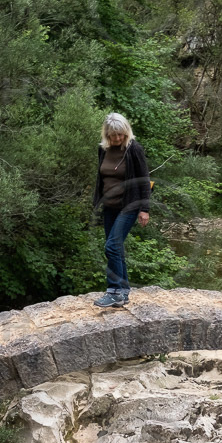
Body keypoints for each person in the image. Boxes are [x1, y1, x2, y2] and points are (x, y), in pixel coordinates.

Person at [91, 112, 151, 309]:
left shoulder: (134, 149)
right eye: (113, 135)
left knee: (111, 246)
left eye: (121, 134)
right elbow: (102, 178)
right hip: (110, 206)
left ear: (126, 132)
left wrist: (144, 209)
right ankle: (123, 293)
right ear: (107, 135)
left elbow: (144, 180)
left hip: (129, 205)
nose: (117, 138)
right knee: (116, 249)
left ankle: (114, 291)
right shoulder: (103, 150)